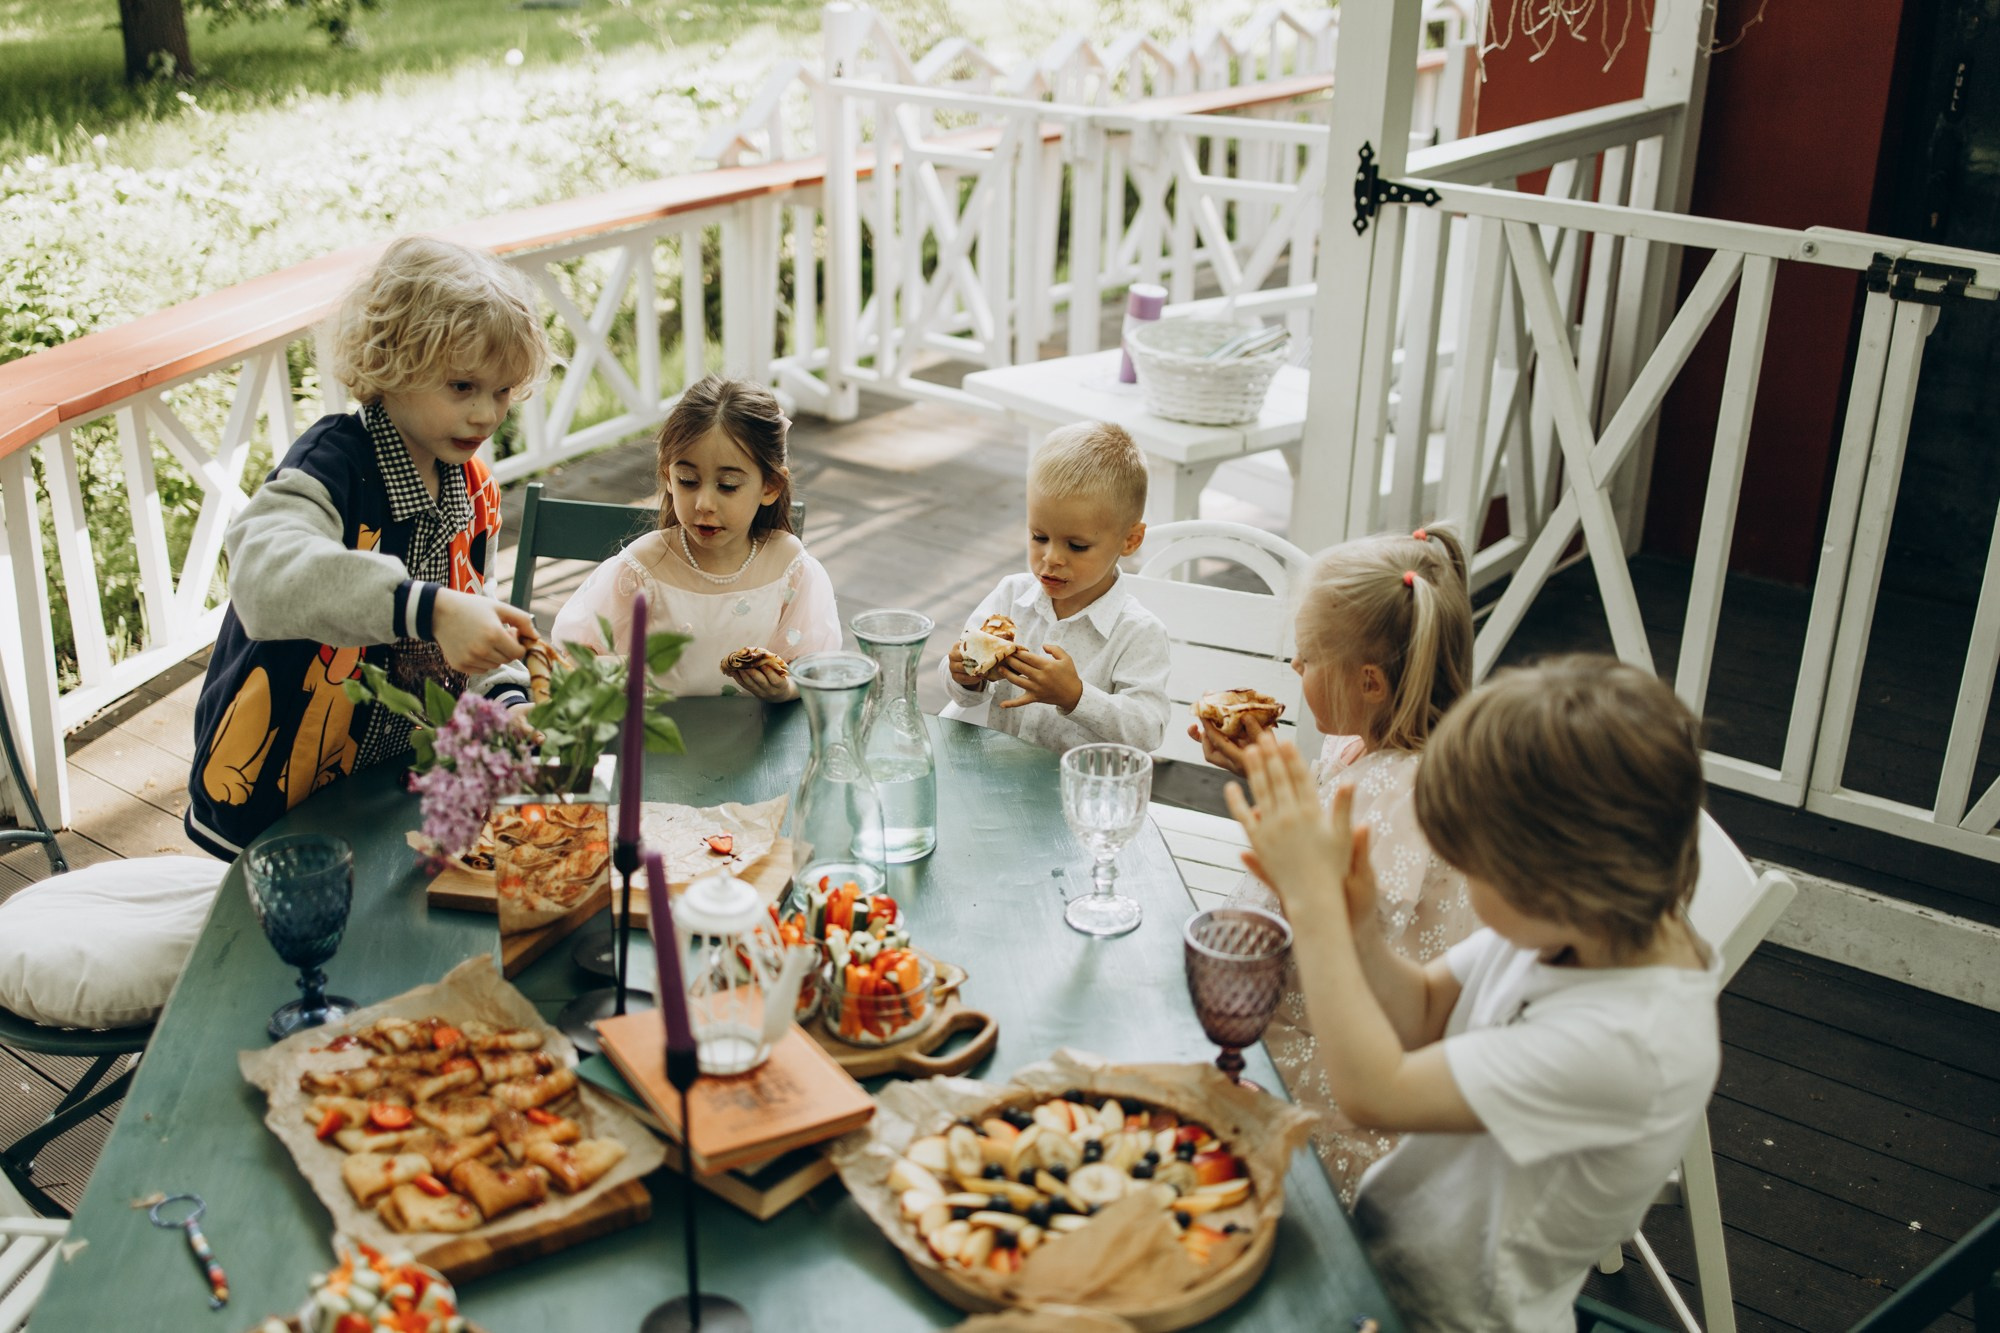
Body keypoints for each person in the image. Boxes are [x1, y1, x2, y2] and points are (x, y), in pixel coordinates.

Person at [1228, 656, 1722, 1331]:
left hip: (1446, 1316)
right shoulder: (1582, 924)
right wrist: (1360, 928)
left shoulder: (1630, 1041)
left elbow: (1375, 1090)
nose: (1458, 876)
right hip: (1382, 1255)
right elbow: (1427, 1010)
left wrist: (1311, 908)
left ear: (1561, 877)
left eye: (1471, 866)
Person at [186, 236, 549, 860]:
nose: (487, 414)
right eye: (462, 386)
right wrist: (426, 607)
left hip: (389, 782)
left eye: (503, 391)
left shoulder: (469, 482)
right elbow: (260, 573)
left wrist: (505, 700)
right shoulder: (333, 467)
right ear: (392, 364)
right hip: (281, 790)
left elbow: (468, 616)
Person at [1195, 527, 1481, 1200]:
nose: (1294, 670)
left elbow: (1335, 932)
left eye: (1307, 659)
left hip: (1348, 1073)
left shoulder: (1400, 792)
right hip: (1332, 1015)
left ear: (1370, 682)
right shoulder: (1364, 753)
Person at [551, 375, 839, 699]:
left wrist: (785, 689)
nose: (704, 504)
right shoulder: (642, 569)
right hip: (655, 742)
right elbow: (572, 658)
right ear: (668, 476)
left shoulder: (790, 569)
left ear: (770, 486)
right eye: (688, 480)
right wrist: (616, 670)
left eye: (728, 485)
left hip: (757, 742)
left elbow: (815, 669)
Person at [940, 422, 1170, 753]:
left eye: (1076, 546)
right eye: (1039, 537)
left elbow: (1148, 730)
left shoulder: (1137, 633)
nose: (1051, 558)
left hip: (1084, 793)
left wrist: (1076, 696)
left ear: (1130, 540)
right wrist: (965, 675)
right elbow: (960, 694)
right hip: (1001, 777)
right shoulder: (1010, 597)